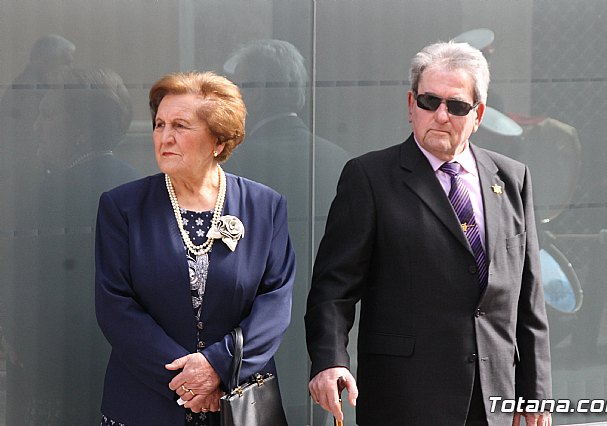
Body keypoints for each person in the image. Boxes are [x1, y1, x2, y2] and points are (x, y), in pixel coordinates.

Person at [305, 42, 552, 426]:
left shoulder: (512, 178)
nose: (441, 115)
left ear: (478, 114)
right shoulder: (369, 178)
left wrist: (535, 395)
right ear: (410, 105)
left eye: (456, 106)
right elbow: (333, 289)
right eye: (429, 101)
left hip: (494, 400)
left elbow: (529, 301)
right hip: (404, 397)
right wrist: (329, 361)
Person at [95, 71, 295, 425]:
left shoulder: (265, 206)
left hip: (238, 402)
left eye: (180, 126)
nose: (164, 137)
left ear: (218, 141)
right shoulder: (122, 207)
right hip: (145, 402)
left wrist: (218, 367)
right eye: (159, 124)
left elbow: (274, 302)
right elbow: (116, 306)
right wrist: (188, 382)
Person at [1, 66, 139, 425]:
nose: (36, 127)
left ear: (79, 132)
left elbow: (22, 291)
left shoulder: (47, 197)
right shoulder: (144, 189)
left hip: (57, 376)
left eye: (47, 115)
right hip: (127, 371)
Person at [223, 39, 350, 423]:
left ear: (260, 93)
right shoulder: (339, 159)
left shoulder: (235, 164)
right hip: (325, 345)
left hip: (251, 343)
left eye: (240, 86)